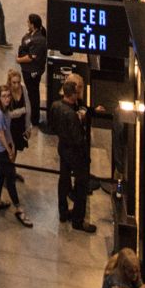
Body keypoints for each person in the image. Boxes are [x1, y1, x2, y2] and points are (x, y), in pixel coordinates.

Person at [49, 78, 96, 232]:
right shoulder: (71, 115)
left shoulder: (55, 106)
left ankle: (63, 212)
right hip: (75, 152)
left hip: (62, 148)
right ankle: (78, 220)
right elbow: (77, 138)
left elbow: (53, 126)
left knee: (63, 180)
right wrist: (79, 120)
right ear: (73, 95)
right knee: (81, 185)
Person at [0, 84, 31, 225]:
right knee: (10, 176)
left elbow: (7, 130)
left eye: (8, 96)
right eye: (4, 96)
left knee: (1, 172)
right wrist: (9, 151)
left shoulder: (6, 110)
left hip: (5, 146)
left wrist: (12, 143)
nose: (7, 99)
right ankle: (18, 208)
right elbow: (1, 134)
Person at [17, 13, 48, 127]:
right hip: (28, 70)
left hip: (32, 72)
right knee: (31, 93)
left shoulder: (39, 40)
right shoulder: (31, 35)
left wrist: (19, 60)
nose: (27, 23)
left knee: (33, 95)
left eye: (28, 22)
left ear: (33, 24)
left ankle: (34, 119)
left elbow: (31, 57)